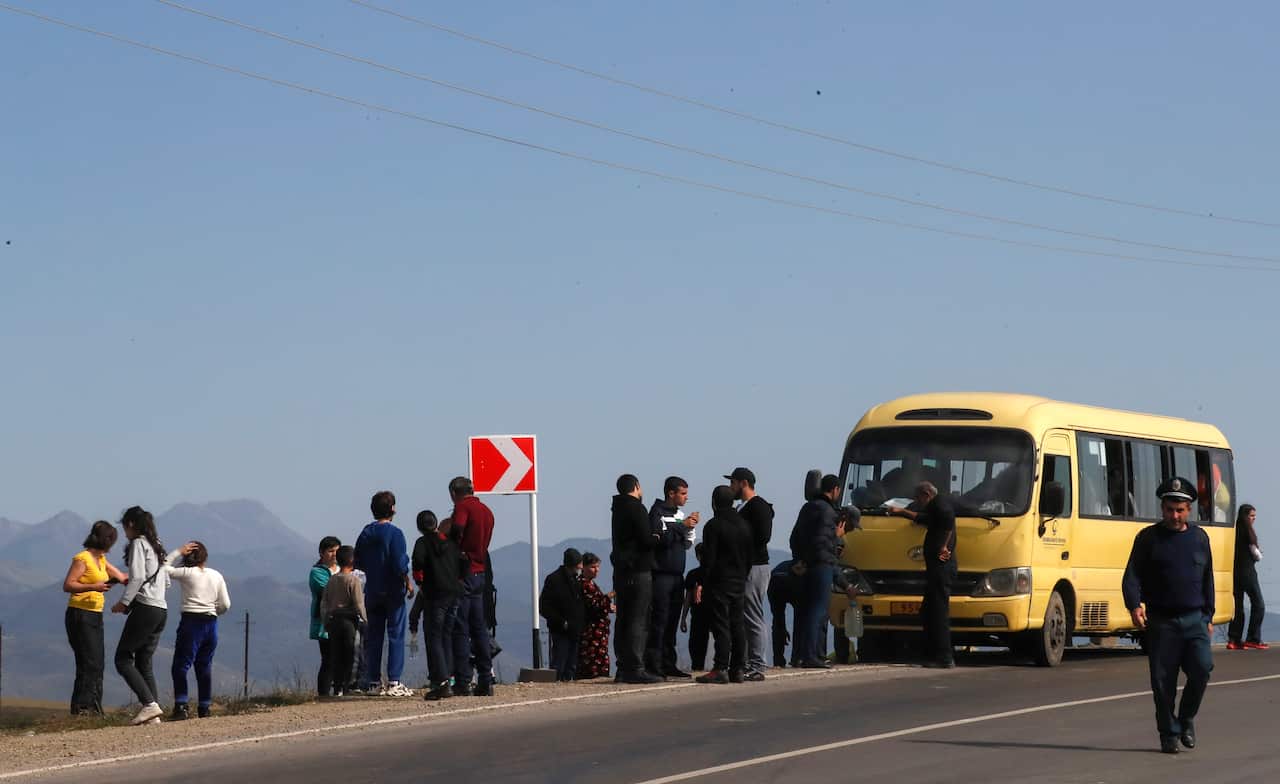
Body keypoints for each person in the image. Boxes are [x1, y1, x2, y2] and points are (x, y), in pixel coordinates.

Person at [1122, 476, 1215, 754]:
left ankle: (1186, 719)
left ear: (1189, 510)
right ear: (1162, 509)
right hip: (1162, 622)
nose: (1175, 515)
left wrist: (1208, 615)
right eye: (1170, 509)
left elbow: (1207, 578)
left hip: (1195, 619)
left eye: (1180, 510)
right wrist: (1134, 605)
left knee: (1202, 669)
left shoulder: (1199, 538)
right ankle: (1168, 734)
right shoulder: (1148, 538)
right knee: (1163, 683)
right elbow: (1132, 576)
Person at [111, 506, 170, 726]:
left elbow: (136, 578)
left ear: (131, 524)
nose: (124, 531)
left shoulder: (138, 544)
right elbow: (166, 581)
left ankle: (149, 705)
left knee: (123, 659)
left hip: (145, 608)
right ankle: (153, 713)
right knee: (144, 661)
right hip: (161, 609)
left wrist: (123, 603)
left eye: (125, 526)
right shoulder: (158, 545)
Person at [789, 475, 856, 669]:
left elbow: (795, 537)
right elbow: (823, 543)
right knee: (818, 611)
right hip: (821, 565)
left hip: (805, 565)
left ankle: (805, 654)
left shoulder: (808, 507)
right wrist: (837, 537)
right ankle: (812, 656)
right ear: (835, 489)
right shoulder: (828, 512)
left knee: (808, 610)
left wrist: (800, 560)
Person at [62, 520, 128, 716]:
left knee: (97, 661)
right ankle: (82, 707)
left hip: (95, 613)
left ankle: (94, 706)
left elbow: (121, 577)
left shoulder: (101, 560)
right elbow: (68, 585)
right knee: (88, 661)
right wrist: (93, 587)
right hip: (80, 613)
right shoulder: (83, 559)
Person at [889, 481, 957, 668]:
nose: (917, 501)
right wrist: (902, 512)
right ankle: (929, 654)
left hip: (941, 568)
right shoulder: (934, 508)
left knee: (939, 613)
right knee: (927, 611)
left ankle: (945, 658)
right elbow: (922, 518)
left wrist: (944, 545)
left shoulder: (940, 504)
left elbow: (948, 521)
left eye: (918, 497)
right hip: (935, 569)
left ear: (927, 493)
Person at [353, 490, 414, 697]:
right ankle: (394, 681)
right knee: (396, 634)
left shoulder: (365, 533)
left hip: (372, 589)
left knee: (374, 636)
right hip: (393, 590)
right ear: (392, 509)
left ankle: (373, 682)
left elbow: (358, 561)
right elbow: (400, 562)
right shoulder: (395, 534)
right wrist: (407, 580)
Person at [164, 541, 231, 720]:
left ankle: (181, 705)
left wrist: (177, 551)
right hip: (211, 623)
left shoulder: (187, 572)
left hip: (191, 622)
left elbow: (163, 568)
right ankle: (204, 707)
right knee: (204, 666)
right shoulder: (216, 575)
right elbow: (225, 604)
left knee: (181, 664)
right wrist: (213, 610)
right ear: (205, 557)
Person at [696, 485, 754, 684]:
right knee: (737, 624)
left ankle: (720, 667)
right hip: (739, 580)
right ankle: (737, 668)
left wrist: (703, 581)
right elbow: (749, 558)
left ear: (714, 502)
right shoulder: (744, 525)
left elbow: (709, 559)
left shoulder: (713, 525)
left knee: (721, 625)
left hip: (719, 582)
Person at [610, 473, 661, 683]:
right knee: (638, 620)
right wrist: (657, 535)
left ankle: (623, 667)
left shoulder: (617, 508)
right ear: (637, 486)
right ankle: (636, 667)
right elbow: (645, 539)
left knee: (624, 618)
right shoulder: (636, 508)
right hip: (638, 570)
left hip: (622, 571)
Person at [449, 476, 497, 697]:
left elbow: (458, 529)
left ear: (454, 493)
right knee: (479, 627)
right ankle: (486, 679)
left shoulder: (462, 507)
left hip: (464, 571)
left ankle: (463, 680)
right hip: (481, 571)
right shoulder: (487, 511)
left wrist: (451, 546)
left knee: (461, 627)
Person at [647, 476, 698, 678]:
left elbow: (686, 543)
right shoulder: (657, 513)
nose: (686, 497)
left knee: (671, 622)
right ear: (671, 493)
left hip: (678, 575)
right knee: (659, 621)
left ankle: (669, 663)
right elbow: (661, 539)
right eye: (683, 493)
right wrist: (681, 526)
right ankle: (654, 664)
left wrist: (689, 527)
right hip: (661, 575)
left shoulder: (679, 514)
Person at [411, 512, 465, 701]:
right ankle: (448, 678)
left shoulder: (422, 543)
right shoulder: (450, 543)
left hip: (436, 595)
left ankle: (441, 683)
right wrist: (458, 580)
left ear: (419, 527)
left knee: (434, 637)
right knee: (446, 636)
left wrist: (421, 585)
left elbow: (417, 565)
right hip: (455, 593)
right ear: (435, 523)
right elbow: (463, 563)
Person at [727, 467, 774, 682]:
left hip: (754, 567)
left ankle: (757, 665)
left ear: (743, 483)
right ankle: (747, 662)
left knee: (753, 616)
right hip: (745, 566)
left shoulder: (758, 506)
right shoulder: (743, 507)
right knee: (745, 616)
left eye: (733, 483)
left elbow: (763, 536)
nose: (731, 488)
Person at [323, 545, 367, 698]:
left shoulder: (332, 580)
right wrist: (365, 619)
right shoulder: (353, 580)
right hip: (349, 621)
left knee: (336, 653)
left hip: (334, 620)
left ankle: (337, 687)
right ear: (352, 561)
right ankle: (348, 686)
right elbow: (359, 603)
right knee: (350, 654)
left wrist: (325, 621)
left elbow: (325, 602)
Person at [540, 548, 586, 681]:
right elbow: (544, 606)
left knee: (571, 663)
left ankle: (568, 680)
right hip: (560, 630)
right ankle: (556, 683)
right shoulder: (554, 580)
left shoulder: (576, 580)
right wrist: (561, 621)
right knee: (559, 661)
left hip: (575, 629)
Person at [1227, 504, 1267, 650]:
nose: (1253, 519)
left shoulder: (1233, 529)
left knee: (1237, 606)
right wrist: (1260, 554)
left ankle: (1234, 639)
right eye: (1251, 516)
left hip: (1234, 573)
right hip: (1248, 572)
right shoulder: (1247, 531)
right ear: (1245, 516)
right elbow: (1256, 554)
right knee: (1259, 604)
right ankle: (1253, 638)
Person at [309, 536, 341, 697]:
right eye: (330, 551)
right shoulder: (316, 572)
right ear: (322, 553)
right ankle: (324, 694)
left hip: (343, 620)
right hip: (325, 621)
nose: (334, 554)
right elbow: (327, 592)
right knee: (328, 658)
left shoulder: (344, 569)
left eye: (337, 551)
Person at [577, 552, 615, 679]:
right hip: (591, 632)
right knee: (592, 659)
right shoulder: (584, 584)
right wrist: (609, 597)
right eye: (593, 567)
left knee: (600, 657)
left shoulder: (591, 583)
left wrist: (609, 607)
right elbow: (593, 606)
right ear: (584, 567)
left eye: (598, 567)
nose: (596, 570)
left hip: (599, 631)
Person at [680, 544, 711, 671]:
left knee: (697, 643)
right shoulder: (715, 573)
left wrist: (683, 618)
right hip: (711, 613)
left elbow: (688, 598)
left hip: (699, 614)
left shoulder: (693, 574)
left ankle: (698, 667)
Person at [767, 558, 801, 667]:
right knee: (800, 619)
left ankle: (778, 660)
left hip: (774, 580)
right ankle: (797, 658)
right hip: (789, 581)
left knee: (778, 620)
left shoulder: (788, 565)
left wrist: (782, 628)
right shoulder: (805, 566)